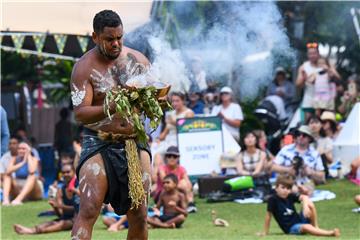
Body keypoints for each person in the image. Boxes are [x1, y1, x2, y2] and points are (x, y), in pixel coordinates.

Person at [70, 10, 155, 239]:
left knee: (139, 214)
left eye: (119, 37)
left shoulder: (137, 60)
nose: (116, 43)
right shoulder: (84, 68)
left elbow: (155, 95)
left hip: (134, 141)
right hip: (98, 141)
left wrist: (158, 98)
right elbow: (80, 113)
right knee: (88, 209)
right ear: (95, 37)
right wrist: (111, 106)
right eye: (109, 39)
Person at [258, 174, 340, 237]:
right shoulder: (273, 199)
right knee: (306, 226)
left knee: (309, 204)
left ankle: (316, 227)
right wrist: (265, 232)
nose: (285, 191)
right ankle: (329, 233)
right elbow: (268, 215)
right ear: (276, 188)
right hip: (291, 228)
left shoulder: (290, 195)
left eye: (288, 188)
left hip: (300, 220)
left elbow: (304, 197)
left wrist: (305, 206)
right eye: (283, 188)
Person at [14, 163, 77, 235]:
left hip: (75, 220)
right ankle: (31, 229)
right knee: (49, 223)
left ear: (74, 172)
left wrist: (60, 206)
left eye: (68, 172)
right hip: (65, 219)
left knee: (62, 224)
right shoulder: (60, 190)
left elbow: (78, 209)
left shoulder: (78, 188)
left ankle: (32, 232)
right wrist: (55, 207)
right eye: (63, 173)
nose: (65, 174)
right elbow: (60, 215)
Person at [272, 125, 325, 195]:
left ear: (309, 139)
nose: (300, 137)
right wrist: (288, 170)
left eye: (304, 135)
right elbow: (273, 167)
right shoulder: (286, 150)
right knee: (291, 189)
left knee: (306, 190)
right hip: (287, 180)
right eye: (298, 134)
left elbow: (322, 176)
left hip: (306, 183)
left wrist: (311, 172)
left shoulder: (314, 154)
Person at [153, 146, 196, 213]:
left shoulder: (182, 169)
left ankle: (190, 204)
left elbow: (188, 184)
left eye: (174, 156)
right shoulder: (162, 168)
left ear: (178, 158)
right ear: (166, 157)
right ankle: (190, 204)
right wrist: (182, 186)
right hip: (162, 194)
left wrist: (184, 186)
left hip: (177, 194)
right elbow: (166, 182)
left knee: (185, 183)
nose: (172, 158)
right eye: (169, 156)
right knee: (182, 185)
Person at [2, 141, 43, 205]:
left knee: (32, 176)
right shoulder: (15, 158)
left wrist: (28, 155)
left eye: (24, 149)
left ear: (29, 150)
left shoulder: (34, 159)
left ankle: (18, 200)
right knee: (7, 176)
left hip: (33, 189)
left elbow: (32, 171)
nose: (21, 150)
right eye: (19, 148)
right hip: (18, 186)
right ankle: (6, 200)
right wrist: (22, 162)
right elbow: (8, 171)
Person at [296, 43, 322, 122]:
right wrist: (304, 78)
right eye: (310, 53)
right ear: (308, 55)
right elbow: (298, 85)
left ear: (318, 54)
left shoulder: (323, 65)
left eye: (314, 53)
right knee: (307, 125)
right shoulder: (304, 67)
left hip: (322, 101)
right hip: (308, 100)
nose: (312, 55)